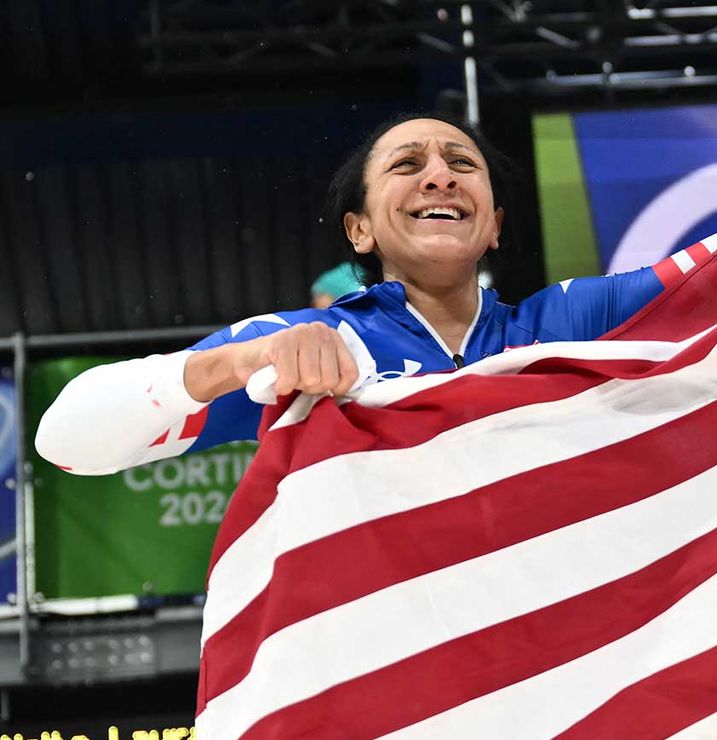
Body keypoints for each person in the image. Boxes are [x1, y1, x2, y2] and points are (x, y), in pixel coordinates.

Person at [35, 114, 667, 475]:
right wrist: (238, 362)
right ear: (358, 230)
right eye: (406, 165)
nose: (440, 176)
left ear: (494, 224)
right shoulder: (303, 350)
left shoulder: (569, 321)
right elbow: (65, 446)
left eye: (461, 164)